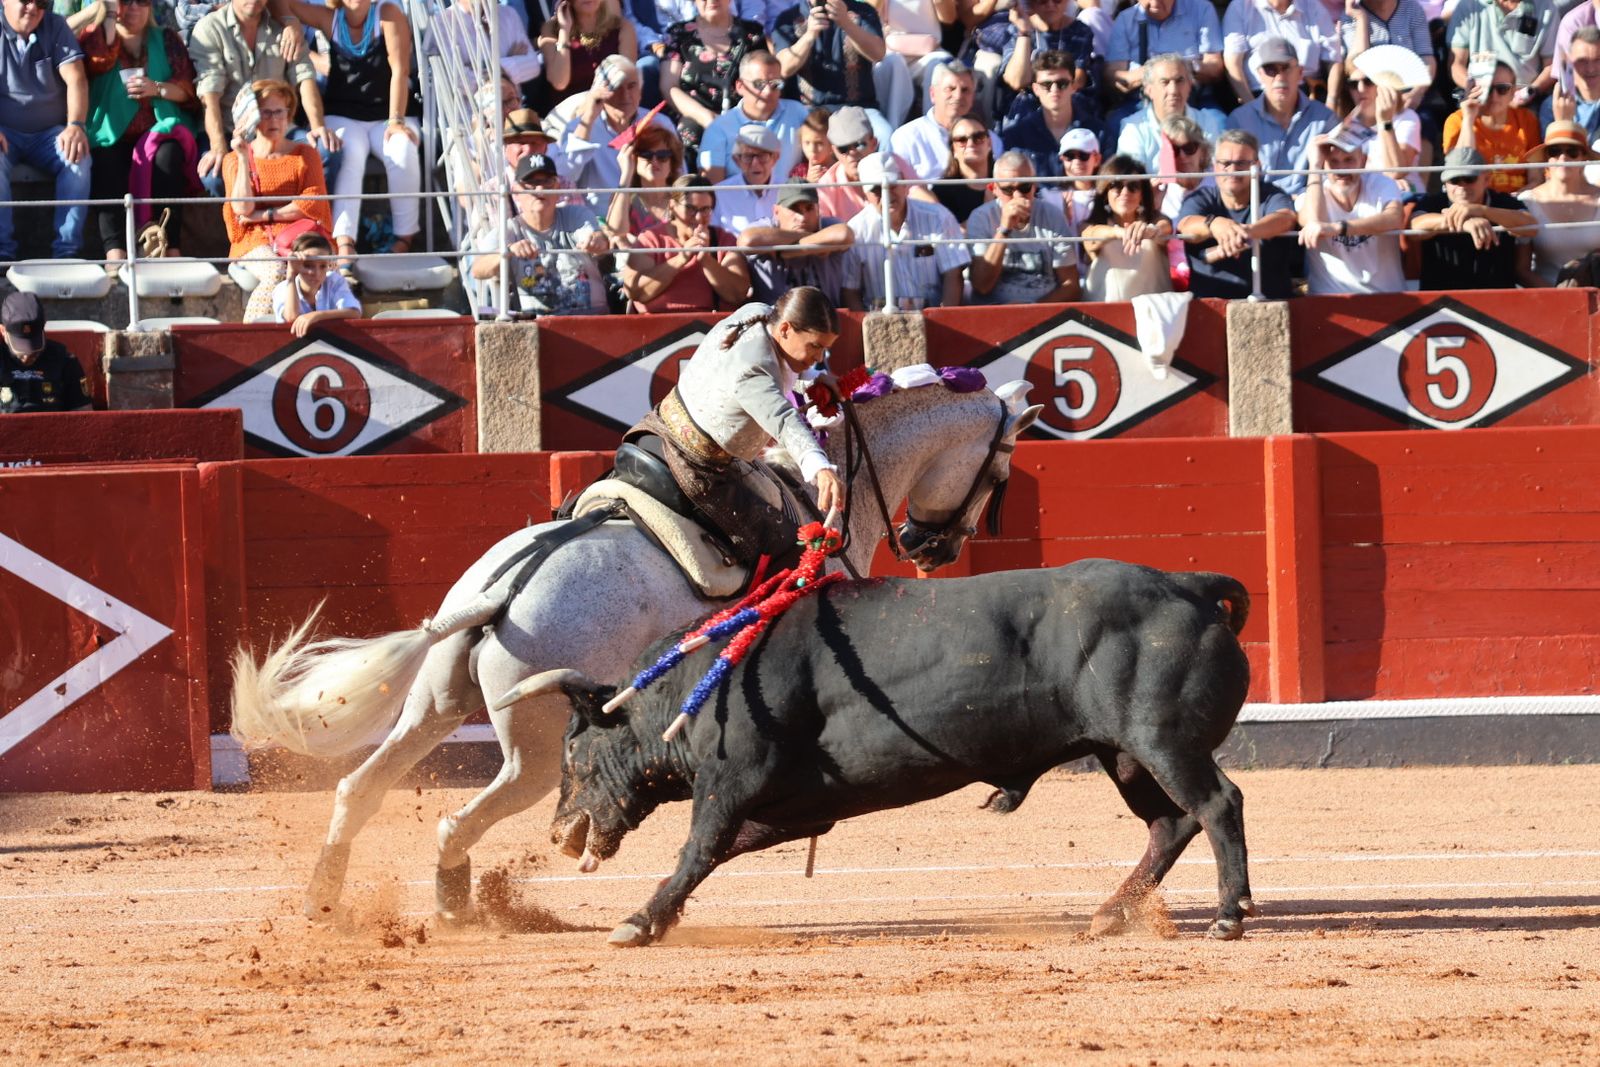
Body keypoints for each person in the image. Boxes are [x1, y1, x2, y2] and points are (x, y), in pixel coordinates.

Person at [620, 288, 845, 570]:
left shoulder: (759, 314)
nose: (819, 356)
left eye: (824, 349)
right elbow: (782, 415)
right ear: (785, 329)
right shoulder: (753, 368)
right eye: (814, 347)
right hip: (698, 467)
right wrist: (819, 468)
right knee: (790, 555)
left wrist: (812, 377)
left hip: (655, 430)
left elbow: (780, 369)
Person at [273, 0, 421, 277]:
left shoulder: (387, 14)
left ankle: (404, 239)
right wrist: (293, 25)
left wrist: (396, 120)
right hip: (344, 113)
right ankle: (344, 244)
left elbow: (400, 70)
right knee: (346, 151)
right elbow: (281, 5)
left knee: (401, 149)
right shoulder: (331, 18)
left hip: (389, 113)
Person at [78, 0, 200, 264]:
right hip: (111, 133)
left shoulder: (167, 39)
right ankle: (116, 255)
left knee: (168, 156)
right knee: (107, 162)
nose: (134, 8)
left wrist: (156, 88)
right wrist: (108, 17)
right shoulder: (100, 37)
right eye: (125, 2)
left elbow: (188, 90)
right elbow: (98, 62)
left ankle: (170, 248)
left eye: (142, 1)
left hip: (157, 132)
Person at [190, 0, 332, 198]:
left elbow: (305, 77)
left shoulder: (285, 28)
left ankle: (307, 223)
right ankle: (243, 226)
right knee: (214, 175)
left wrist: (317, 127)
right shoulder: (210, 29)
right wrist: (218, 146)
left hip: (280, 131)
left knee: (325, 151)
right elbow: (209, 96)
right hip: (230, 132)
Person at [221, 78, 332, 321]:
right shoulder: (232, 160)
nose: (274, 120)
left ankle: (320, 329)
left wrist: (265, 215)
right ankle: (253, 334)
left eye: (279, 112)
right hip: (254, 239)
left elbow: (312, 202)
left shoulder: (305, 154)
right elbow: (241, 207)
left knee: (325, 269)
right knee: (277, 270)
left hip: (299, 235)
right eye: (265, 113)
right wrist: (242, 157)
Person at [0, 0, 92, 261]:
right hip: (5, 133)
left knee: (78, 159)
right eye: (25, 0)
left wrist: (75, 126)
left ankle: (66, 254)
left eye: (41, 2)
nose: (33, 7)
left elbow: (76, 79)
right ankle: (2, 255)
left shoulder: (56, 26)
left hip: (49, 134)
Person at [472, 152, 612, 315]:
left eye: (547, 182)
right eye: (530, 183)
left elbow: (594, 236)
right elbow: (478, 269)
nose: (539, 189)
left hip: (594, 320)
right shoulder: (509, 230)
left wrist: (598, 241)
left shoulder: (577, 215)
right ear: (516, 191)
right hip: (540, 328)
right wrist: (507, 252)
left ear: (557, 188)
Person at [1177, 128, 1296, 299]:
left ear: (1257, 165)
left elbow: (1286, 218)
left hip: (1270, 305)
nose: (1232, 170)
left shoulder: (1272, 195)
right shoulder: (1201, 198)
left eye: (1241, 163)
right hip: (1210, 309)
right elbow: (1185, 225)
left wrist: (1243, 233)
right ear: (1215, 166)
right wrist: (1215, 224)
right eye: (1225, 163)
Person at [841, 151, 969, 309]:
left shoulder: (938, 217)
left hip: (934, 317)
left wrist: (945, 319)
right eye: (876, 189)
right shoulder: (857, 229)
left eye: (891, 186)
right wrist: (866, 328)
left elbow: (953, 275)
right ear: (865, 193)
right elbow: (850, 291)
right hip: (879, 323)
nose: (886, 194)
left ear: (903, 183)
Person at [1409, 145, 1536, 289]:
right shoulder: (1433, 202)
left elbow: (1531, 226)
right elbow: (1414, 226)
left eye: (1469, 178)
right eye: (1455, 180)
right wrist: (1463, 223)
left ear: (1486, 179)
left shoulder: (1502, 202)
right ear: (1445, 183)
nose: (1462, 186)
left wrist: (1482, 211)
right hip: (1442, 301)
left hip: (1497, 298)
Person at [1295, 129, 1405, 294]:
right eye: (1333, 161)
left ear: (1363, 161)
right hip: (1329, 299)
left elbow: (1394, 218)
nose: (1341, 169)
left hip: (1386, 296)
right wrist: (1315, 165)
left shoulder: (1382, 184)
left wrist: (1339, 228)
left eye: (1348, 160)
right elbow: (1312, 221)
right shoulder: (1312, 194)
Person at [1224, 36, 1335, 195]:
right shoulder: (1239, 121)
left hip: (1309, 204)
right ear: (1260, 75)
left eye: (1286, 68)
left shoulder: (1326, 119)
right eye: (1271, 70)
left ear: (1300, 72)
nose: (1280, 77)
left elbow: (1335, 173)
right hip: (1258, 206)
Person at [657, 0, 766, 162]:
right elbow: (668, 86)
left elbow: (763, 83)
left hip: (741, 117)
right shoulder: (679, 34)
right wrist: (707, 118)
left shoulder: (751, 33)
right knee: (690, 131)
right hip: (695, 116)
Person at [623, 173, 752, 310]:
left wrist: (706, 259)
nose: (698, 217)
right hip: (657, 326)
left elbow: (738, 294)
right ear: (672, 205)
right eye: (690, 209)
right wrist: (681, 258)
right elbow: (635, 292)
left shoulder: (723, 240)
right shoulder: (650, 239)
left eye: (705, 210)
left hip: (712, 326)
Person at [561, 55, 678, 205]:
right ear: (600, 91)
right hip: (602, 218)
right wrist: (589, 118)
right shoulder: (580, 127)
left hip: (652, 216)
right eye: (616, 88)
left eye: (631, 86)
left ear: (641, 90)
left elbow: (679, 176)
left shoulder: (660, 123)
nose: (625, 95)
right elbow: (566, 175)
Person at [966, 150, 1080, 303]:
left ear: (1034, 186)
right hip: (993, 314)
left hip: (1043, 314)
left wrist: (1031, 313)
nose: (1018, 196)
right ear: (994, 189)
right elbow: (981, 285)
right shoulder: (981, 217)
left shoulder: (1053, 216)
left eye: (1024, 187)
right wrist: (1004, 229)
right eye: (1008, 189)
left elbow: (1070, 285)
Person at [736, 181, 854, 302]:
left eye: (809, 208)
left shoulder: (826, 225)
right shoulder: (766, 226)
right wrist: (814, 241)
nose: (802, 217)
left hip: (824, 315)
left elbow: (845, 234)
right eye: (794, 209)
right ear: (776, 211)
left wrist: (792, 250)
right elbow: (747, 240)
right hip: (772, 316)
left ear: (818, 210)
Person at [700, 51, 809, 180]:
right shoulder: (719, 129)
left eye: (775, 84)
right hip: (738, 200)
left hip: (791, 199)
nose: (768, 91)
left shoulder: (798, 113)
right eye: (759, 84)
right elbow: (713, 188)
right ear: (740, 86)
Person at [1515, 120, 1600, 286]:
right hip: (1544, 301)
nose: (1563, 157)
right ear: (1547, 158)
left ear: (1584, 157)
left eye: (1572, 152)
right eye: (1555, 151)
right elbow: (1521, 270)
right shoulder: (1528, 201)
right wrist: (1558, 296)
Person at [891, 59, 1006, 180]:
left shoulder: (989, 140)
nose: (958, 96)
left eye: (965, 90)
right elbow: (901, 188)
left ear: (973, 97)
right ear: (933, 94)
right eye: (950, 89)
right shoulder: (906, 137)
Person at [770, 0, 888, 116]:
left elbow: (878, 54)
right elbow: (783, 69)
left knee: (883, 135)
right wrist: (810, 34)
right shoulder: (788, 18)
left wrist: (846, 23)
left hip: (859, 108)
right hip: (807, 112)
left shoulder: (863, 12)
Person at [1080, 154, 1172, 301]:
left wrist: (1151, 230)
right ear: (1105, 192)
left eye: (1133, 186)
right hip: (1104, 316)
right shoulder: (1092, 226)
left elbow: (1165, 227)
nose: (1125, 192)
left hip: (1153, 315)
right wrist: (1121, 233)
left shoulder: (1155, 219)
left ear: (1142, 194)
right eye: (1116, 185)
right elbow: (1089, 236)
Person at [1443, 57, 1541, 194]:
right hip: (1474, 201)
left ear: (1513, 92)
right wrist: (1468, 119)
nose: (1494, 96)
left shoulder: (1527, 120)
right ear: (1473, 89)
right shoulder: (1457, 120)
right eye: (1486, 89)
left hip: (1517, 203)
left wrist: (1511, 203)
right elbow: (1459, 174)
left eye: (1502, 89)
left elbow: (1536, 179)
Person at [1114, 54, 1225, 172]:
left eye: (1179, 81)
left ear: (1190, 86)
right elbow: (1133, 180)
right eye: (1165, 82)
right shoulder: (1133, 128)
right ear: (1148, 89)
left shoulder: (1207, 122)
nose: (1173, 90)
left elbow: (1214, 175)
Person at [816, 104, 929, 219]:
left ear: (874, 143)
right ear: (833, 150)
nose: (852, 153)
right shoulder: (825, 188)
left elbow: (927, 203)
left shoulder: (896, 164)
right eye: (843, 148)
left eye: (859, 144)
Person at [1222, 0, 1343, 103]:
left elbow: (1334, 60)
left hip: (1310, 95)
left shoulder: (1313, 7)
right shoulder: (1241, 7)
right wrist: (1251, 107)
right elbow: (1232, 65)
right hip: (1259, 95)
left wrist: (1332, 102)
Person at [998, 49, 1091, 179]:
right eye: (1046, 84)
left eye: (1062, 84)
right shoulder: (1016, 136)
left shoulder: (1096, 131)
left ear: (1073, 86)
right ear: (1035, 89)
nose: (1054, 90)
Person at [1107, 0, 1225, 102]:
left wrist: (1185, 68)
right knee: (1115, 124)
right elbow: (1113, 76)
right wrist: (1156, 71)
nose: (1154, 3)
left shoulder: (1201, 10)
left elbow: (1215, 68)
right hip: (1141, 101)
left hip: (1195, 99)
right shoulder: (1125, 20)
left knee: (1220, 125)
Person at [1333, 63, 1421, 192]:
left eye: (1368, 81)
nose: (1360, 89)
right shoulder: (1346, 122)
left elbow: (1396, 172)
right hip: (1363, 197)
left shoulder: (1406, 117)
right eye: (1353, 84)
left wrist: (1385, 121)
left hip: (1404, 197)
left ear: (1385, 84)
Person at [539, 0, 638, 113]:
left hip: (611, 110)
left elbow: (625, 82)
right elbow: (559, 82)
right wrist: (565, 31)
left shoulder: (622, 28)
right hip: (571, 114)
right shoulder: (552, 30)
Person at [1337, 0, 1433, 114]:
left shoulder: (1412, 8)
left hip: (1409, 92)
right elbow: (1356, 64)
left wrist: (1417, 93)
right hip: (1372, 98)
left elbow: (1426, 58)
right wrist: (1361, 19)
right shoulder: (1351, 15)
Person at [0, 293, 90, 414]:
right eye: (20, 351)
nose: (27, 356)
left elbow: (84, 415)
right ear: (3, 331)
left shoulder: (64, 361)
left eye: (34, 351)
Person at [1448, 0, 1557, 97]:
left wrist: (1530, 92)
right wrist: (1474, 88)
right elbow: (1456, 64)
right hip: (1479, 95)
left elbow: (1551, 65)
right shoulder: (1468, 5)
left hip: (1525, 98)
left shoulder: (1546, 6)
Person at [603, 121, 685, 242]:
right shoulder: (625, 197)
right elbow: (616, 231)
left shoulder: (682, 198)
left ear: (672, 163)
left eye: (662, 155)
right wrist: (626, 174)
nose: (654, 161)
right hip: (635, 260)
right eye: (646, 154)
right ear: (634, 159)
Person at [273, 230, 362, 336]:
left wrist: (317, 316)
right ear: (296, 264)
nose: (316, 273)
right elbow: (291, 317)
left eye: (323, 266)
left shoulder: (334, 280)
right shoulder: (282, 288)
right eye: (308, 265)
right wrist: (291, 276)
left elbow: (354, 312)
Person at [715, 123, 782, 231]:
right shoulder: (719, 194)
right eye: (748, 156)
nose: (755, 163)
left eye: (762, 156)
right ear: (737, 160)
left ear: (775, 158)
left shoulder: (788, 190)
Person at [934, 112, 994, 224]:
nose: (970, 143)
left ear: (989, 144)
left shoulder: (1007, 184)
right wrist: (987, 210)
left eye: (978, 137)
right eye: (962, 140)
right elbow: (948, 235)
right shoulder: (942, 190)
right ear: (953, 150)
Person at [791, 105, 836, 179]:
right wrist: (807, 183)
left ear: (832, 143)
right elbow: (791, 190)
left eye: (819, 143)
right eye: (807, 143)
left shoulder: (841, 169)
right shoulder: (800, 171)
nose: (812, 149)